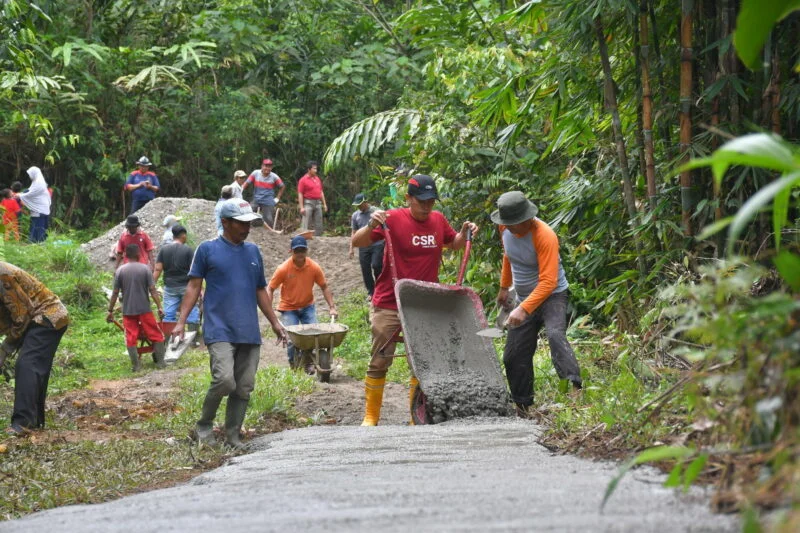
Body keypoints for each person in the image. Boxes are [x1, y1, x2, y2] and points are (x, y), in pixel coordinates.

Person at [350, 174, 478, 426]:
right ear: (408, 198)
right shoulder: (393, 218)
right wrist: (371, 226)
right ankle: (371, 416)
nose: (427, 206)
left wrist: (465, 233)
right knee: (381, 357)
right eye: (421, 201)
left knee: (422, 361)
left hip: (423, 304)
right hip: (390, 301)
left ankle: (414, 417)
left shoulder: (438, 220)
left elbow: (453, 244)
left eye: (431, 201)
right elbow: (357, 242)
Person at [172, 199, 287, 449]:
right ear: (225, 222)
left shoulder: (253, 252)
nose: (247, 228)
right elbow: (194, 286)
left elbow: (260, 290)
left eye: (249, 223)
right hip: (219, 328)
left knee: (244, 386)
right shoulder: (207, 250)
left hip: (248, 329)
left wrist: (275, 322)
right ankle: (204, 424)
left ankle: (232, 434)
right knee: (224, 380)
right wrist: (181, 322)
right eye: (241, 223)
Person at [490, 191, 582, 416]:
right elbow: (508, 256)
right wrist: (504, 287)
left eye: (516, 223)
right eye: (508, 224)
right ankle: (522, 405)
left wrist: (524, 309)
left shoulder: (545, 235)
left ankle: (575, 391)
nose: (513, 228)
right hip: (523, 296)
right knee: (513, 354)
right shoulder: (505, 230)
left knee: (555, 335)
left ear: (527, 218)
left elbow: (549, 281)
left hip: (553, 296)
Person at [0, 262, 69, 436]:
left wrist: (6, 347)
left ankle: (23, 423)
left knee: (27, 365)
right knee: (35, 368)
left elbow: (23, 314)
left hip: (47, 315)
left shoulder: (2, 276)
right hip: (34, 319)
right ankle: (35, 421)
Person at [268, 235, 337, 374]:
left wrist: (332, 307)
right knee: (291, 339)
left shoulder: (313, 267)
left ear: (306, 251)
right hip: (288, 308)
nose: (300, 254)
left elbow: (324, 286)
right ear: (291, 251)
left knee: (314, 336)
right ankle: (294, 365)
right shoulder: (283, 269)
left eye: (302, 250)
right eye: (297, 251)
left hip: (307, 306)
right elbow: (270, 288)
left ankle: (308, 362)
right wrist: (269, 311)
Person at [107, 245, 166, 372]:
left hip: (128, 310)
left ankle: (136, 366)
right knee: (155, 334)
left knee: (131, 337)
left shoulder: (120, 271)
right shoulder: (145, 269)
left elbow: (115, 293)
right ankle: (160, 363)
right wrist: (160, 307)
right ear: (138, 254)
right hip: (144, 309)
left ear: (126, 256)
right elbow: (153, 290)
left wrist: (110, 311)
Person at [152, 225, 200, 334]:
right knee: (191, 309)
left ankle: (169, 338)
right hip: (186, 287)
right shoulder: (188, 250)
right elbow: (194, 270)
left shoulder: (164, 250)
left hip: (170, 287)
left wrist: (151, 285)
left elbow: (158, 268)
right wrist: (199, 288)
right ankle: (192, 338)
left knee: (169, 313)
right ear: (183, 235)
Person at [349, 193, 384, 300]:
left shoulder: (376, 211)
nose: (359, 207)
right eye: (357, 205)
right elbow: (354, 232)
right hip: (363, 246)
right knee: (365, 269)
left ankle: (380, 288)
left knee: (377, 265)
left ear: (365, 202)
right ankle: (371, 292)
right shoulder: (355, 216)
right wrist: (351, 247)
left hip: (377, 243)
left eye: (360, 204)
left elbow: (385, 225)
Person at [242, 159, 284, 230]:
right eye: (265, 166)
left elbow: (282, 186)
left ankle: (269, 233)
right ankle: (249, 230)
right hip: (256, 198)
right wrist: (239, 191)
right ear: (262, 166)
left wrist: (278, 198)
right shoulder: (255, 173)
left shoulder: (274, 176)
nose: (267, 168)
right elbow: (246, 183)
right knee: (248, 211)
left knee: (268, 218)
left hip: (268, 199)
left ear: (271, 168)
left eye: (269, 166)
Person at [19, 166, 51, 243]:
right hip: (41, 209)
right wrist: (21, 194)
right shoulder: (37, 182)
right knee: (38, 225)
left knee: (38, 226)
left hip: (39, 210)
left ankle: (37, 242)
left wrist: (19, 195)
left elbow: (31, 194)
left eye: (30, 174)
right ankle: (39, 242)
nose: (29, 176)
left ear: (34, 173)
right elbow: (29, 191)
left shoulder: (39, 183)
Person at [297, 160, 327, 236]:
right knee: (306, 220)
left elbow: (321, 191)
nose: (315, 170)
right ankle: (303, 236)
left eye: (316, 169)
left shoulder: (317, 179)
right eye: (314, 169)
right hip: (308, 202)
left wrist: (324, 204)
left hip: (318, 202)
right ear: (309, 169)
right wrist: (301, 207)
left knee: (319, 221)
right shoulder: (303, 180)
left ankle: (318, 236)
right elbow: (300, 193)